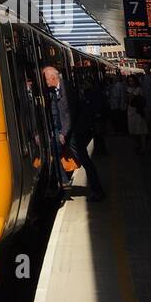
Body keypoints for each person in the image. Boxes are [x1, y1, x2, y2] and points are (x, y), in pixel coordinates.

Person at [41, 65, 105, 201]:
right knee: (52, 151)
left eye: (46, 79)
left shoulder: (67, 88)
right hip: (66, 132)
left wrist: (63, 133)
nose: (45, 82)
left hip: (75, 133)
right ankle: (63, 183)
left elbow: (68, 114)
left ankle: (97, 190)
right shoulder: (54, 90)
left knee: (85, 162)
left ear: (53, 77)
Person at [126, 76, 148, 155]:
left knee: (141, 130)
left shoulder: (139, 89)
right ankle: (139, 145)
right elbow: (128, 100)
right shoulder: (128, 89)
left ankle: (143, 147)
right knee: (132, 130)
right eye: (129, 81)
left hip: (138, 111)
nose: (131, 82)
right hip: (131, 110)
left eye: (132, 80)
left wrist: (131, 95)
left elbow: (132, 98)